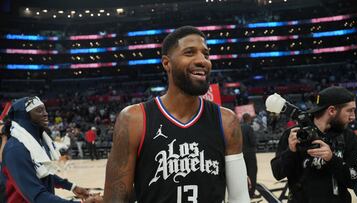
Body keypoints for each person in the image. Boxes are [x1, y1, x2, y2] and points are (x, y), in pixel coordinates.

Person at [103, 26, 250, 203]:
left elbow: (239, 197)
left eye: (206, 54)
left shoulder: (226, 121)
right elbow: (116, 198)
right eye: (189, 53)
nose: (202, 60)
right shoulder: (134, 119)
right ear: (167, 63)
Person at [0, 96, 102, 203]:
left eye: (45, 109)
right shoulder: (15, 150)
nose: (46, 114)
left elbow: (43, 174)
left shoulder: (33, 142)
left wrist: (72, 187)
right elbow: (37, 196)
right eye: (39, 111)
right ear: (25, 116)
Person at [271, 86, 357, 203]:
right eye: (350, 110)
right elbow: (278, 174)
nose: (353, 117)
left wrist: (332, 159)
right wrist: (290, 151)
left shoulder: (348, 137)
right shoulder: (294, 134)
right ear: (332, 110)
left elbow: (354, 180)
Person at [241, 113, 258, 198]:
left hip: (241, 153)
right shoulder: (249, 128)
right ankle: (251, 193)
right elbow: (253, 141)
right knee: (252, 173)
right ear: (249, 119)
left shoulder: (239, 127)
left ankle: (244, 192)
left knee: (244, 173)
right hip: (250, 153)